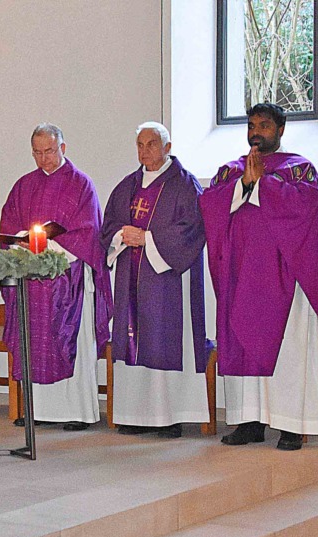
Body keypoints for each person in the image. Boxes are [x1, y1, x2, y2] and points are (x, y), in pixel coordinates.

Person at [200, 103, 318, 451]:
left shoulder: (299, 170)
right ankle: (250, 422)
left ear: (280, 130)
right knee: (244, 345)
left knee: (289, 350)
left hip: (286, 277)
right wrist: (244, 185)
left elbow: (304, 209)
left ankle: (291, 425)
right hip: (241, 275)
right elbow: (211, 205)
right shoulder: (232, 171)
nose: (256, 131)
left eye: (264, 125)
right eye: (251, 125)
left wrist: (263, 183)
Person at [0, 123, 113, 431]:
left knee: (70, 339)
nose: (43, 158)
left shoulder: (81, 185)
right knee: (32, 341)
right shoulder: (23, 185)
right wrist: (22, 241)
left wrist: (47, 245)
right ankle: (36, 410)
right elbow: (9, 224)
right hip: (32, 283)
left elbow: (89, 232)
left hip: (68, 281)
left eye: (49, 151)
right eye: (37, 152)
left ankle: (77, 412)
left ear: (63, 148)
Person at [100, 122, 209, 438]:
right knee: (133, 342)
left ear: (168, 147)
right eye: (139, 144)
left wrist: (147, 238)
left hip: (166, 284)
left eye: (151, 144)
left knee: (163, 339)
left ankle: (170, 416)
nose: (144, 150)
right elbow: (108, 228)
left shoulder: (185, 186)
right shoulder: (127, 186)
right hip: (131, 282)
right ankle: (133, 415)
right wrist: (123, 235)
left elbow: (192, 229)